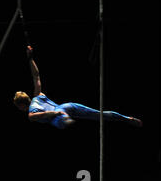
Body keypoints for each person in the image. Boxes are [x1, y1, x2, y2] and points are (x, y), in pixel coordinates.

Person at [13, 46, 142, 129]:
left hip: (60, 113)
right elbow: (36, 76)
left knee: (59, 122)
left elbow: (37, 115)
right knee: (99, 115)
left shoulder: (31, 113)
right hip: (67, 106)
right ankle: (125, 118)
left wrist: (57, 113)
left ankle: (66, 121)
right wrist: (30, 58)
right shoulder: (38, 95)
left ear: (21, 106)